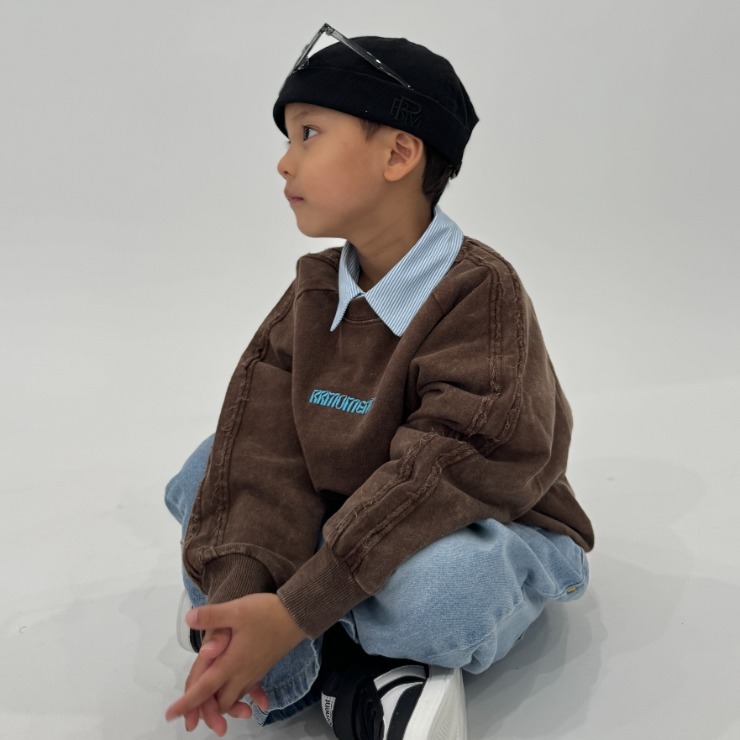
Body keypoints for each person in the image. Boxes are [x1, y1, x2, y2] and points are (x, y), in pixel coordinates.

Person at [164, 23, 594, 740]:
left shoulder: (481, 294)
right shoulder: (312, 290)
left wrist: (294, 609)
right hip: (358, 508)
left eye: (308, 134)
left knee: (441, 591)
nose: (283, 162)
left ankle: (324, 661)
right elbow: (260, 452)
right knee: (206, 472)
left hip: (477, 515)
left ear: (399, 153)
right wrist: (239, 598)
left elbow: (441, 473)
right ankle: (321, 660)